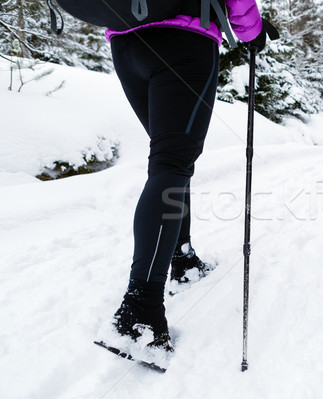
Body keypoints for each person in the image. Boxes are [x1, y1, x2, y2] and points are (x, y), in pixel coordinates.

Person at [104, 1, 271, 355]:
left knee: (171, 160)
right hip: (182, 40)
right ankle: (140, 312)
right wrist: (252, 32)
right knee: (172, 163)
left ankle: (182, 257)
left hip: (125, 42)